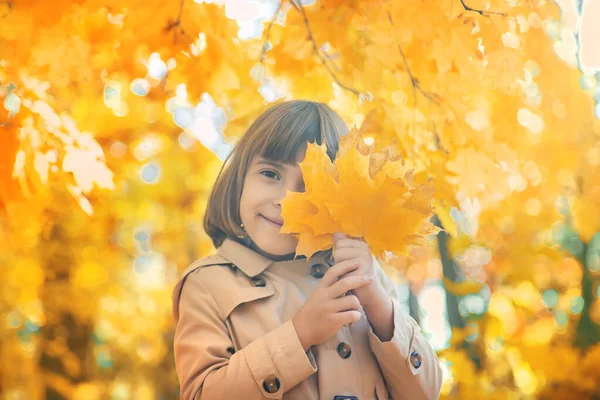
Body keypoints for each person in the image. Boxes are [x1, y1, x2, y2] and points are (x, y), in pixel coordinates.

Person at [171, 100, 443, 400]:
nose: (285, 200)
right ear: (239, 179)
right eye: (270, 174)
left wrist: (378, 306)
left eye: (308, 188)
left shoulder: (363, 276)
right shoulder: (207, 285)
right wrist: (298, 335)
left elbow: (425, 392)